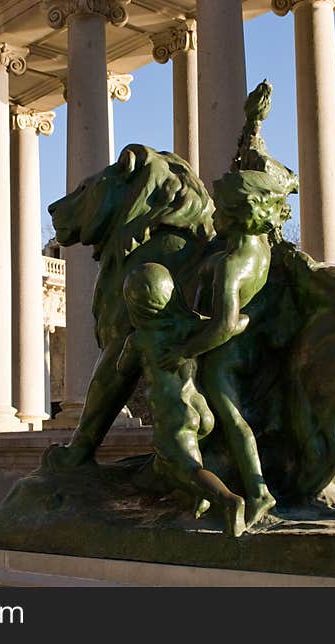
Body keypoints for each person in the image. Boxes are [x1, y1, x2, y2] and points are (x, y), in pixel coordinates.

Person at [158, 169, 292, 529]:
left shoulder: (232, 265)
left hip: (222, 356)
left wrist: (185, 350)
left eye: (220, 209)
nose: (213, 215)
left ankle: (257, 490)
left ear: (236, 212)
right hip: (246, 349)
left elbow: (224, 324)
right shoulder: (260, 249)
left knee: (232, 420)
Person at [117, 262, 247, 537]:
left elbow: (121, 370)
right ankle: (195, 500)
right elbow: (234, 324)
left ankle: (228, 501)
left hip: (174, 414)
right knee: (163, 465)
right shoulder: (189, 325)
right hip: (200, 408)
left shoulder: (139, 339)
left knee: (186, 468)